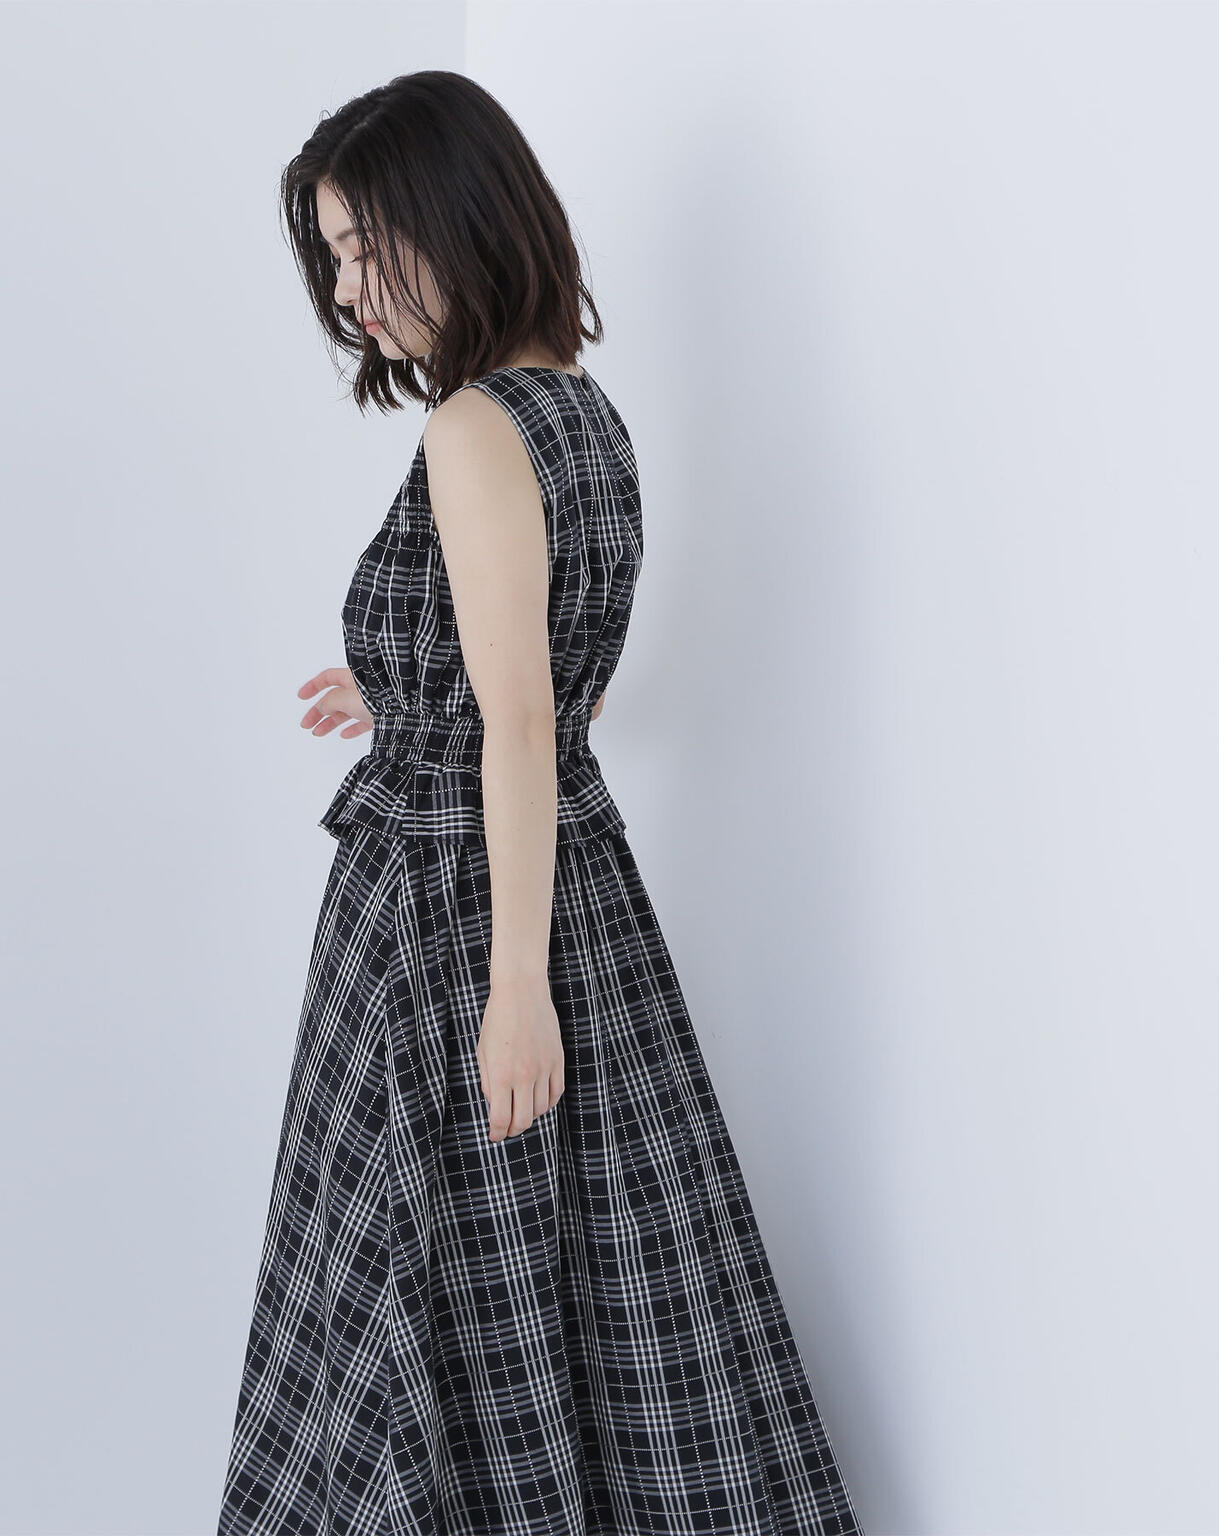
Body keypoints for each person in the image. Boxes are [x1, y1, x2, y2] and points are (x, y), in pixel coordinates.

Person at [217, 68, 864, 1536]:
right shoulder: (582, 412)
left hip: (449, 921)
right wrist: (405, 686)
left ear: (453, 214)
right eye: (333, 258)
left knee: (410, 1295)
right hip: (569, 889)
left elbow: (520, 719)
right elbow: (549, 681)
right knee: (597, 1287)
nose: (348, 292)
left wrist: (515, 994)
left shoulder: (472, 430)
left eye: (365, 248)